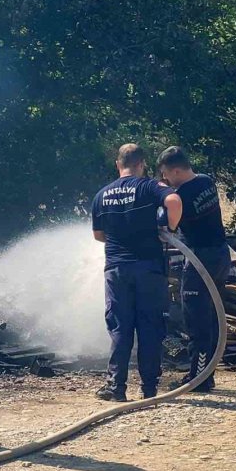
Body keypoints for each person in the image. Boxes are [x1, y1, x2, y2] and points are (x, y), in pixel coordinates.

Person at [91, 143, 182, 401]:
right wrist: (170, 228)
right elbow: (174, 201)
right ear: (141, 164)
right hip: (149, 268)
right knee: (149, 326)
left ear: (118, 164)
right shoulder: (149, 186)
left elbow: (98, 235)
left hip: (117, 269)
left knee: (120, 327)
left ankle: (116, 387)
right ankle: (149, 388)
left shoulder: (102, 195)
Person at [157, 146, 230, 392]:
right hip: (220, 255)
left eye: (166, 173)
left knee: (196, 318)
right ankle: (207, 374)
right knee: (212, 315)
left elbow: (165, 223)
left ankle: (199, 378)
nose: (165, 178)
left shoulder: (182, 196)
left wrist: (161, 195)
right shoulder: (206, 181)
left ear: (176, 171)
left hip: (201, 259)